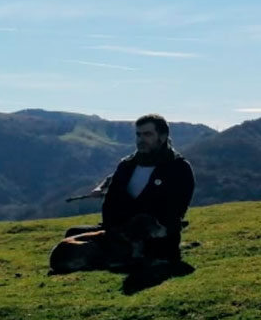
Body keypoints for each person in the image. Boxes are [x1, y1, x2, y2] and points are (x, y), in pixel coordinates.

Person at [50, 114, 196, 273]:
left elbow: (176, 209)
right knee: (73, 233)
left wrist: (140, 227)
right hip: (119, 233)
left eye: (147, 134)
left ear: (163, 136)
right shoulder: (127, 165)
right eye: (138, 134)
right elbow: (111, 201)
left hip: (153, 232)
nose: (141, 139)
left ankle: (127, 259)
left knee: (152, 250)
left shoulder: (178, 168)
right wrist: (114, 229)